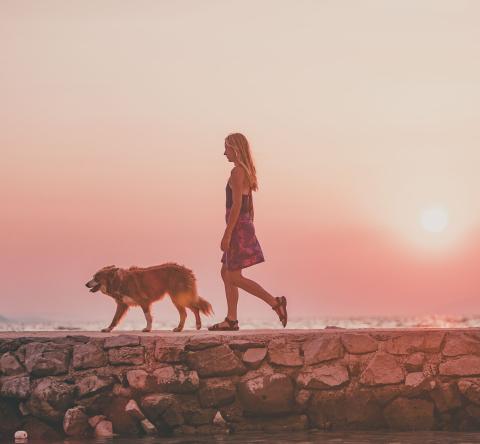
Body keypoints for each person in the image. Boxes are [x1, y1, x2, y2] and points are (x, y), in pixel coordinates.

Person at [208, 132, 288, 331]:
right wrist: (247, 226)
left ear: (235, 149)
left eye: (226, 148)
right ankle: (231, 319)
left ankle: (274, 302)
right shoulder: (245, 171)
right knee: (226, 272)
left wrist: (227, 234)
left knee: (233, 276)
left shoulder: (237, 172)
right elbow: (248, 207)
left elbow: (236, 206)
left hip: (237, 227)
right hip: (242, 225)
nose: (224, 152)